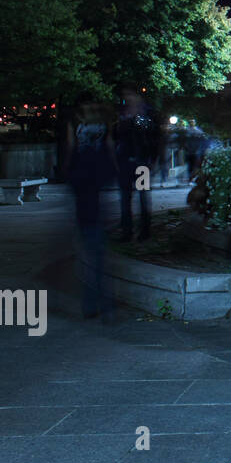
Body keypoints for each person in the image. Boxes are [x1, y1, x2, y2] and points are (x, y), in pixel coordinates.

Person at [64, 96, 115, 319]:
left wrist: (67, 173)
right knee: (96, 244)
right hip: (94, 180)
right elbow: (110, 149)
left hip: (83, 180)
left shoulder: (75, 125)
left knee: (89, 240)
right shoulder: (104, 124)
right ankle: (99, 300)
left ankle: (91, 302)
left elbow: (70, 150)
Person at [114, 85, 161, 241]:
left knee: (142, 197)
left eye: (129, 94)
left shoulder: (146, 114)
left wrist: (152, 159)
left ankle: (144, 231)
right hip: (126, 161)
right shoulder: (123, 114)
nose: (127, 98)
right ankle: (127, 231)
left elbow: (154, 138)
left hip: (142, 161)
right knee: (125, 198)